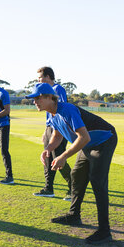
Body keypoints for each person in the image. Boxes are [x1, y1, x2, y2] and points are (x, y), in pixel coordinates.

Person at [26, 83, 117, 244]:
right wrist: (48, 149)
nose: (35, 102)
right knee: (77, 175)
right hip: (88, 144)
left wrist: (63, 156)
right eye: (33, 99)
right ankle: (74, 216)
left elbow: (84, 137)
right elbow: (57, 135)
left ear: (49, 97)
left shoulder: (66, 109)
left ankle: (105, 231)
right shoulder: (51, 114)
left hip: (104, 140)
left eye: (38, 98)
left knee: (97, 181)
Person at [33, 67, 72, 200]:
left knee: (58, 157)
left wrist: (57, 128)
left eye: (40, 77)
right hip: (50, 128)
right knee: (48, 158)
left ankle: (73, 187)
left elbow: (60, 109)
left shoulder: (57, 89)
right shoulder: (43, 92)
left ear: (48, 76)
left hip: (59, 128)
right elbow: (49, 113)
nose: (38, 80)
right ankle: (48, 188)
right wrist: (46, 130)